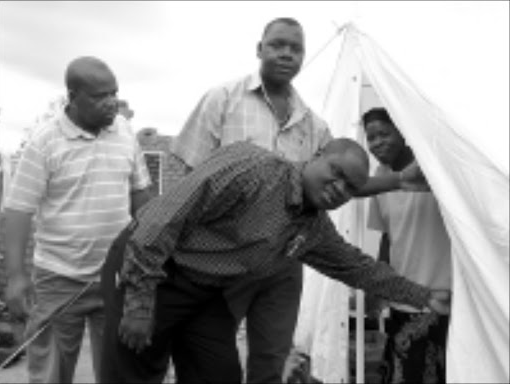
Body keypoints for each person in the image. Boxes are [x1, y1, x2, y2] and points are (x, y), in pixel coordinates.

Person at [100, 139, 451, 384]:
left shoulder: (314, 229)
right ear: (315, 154)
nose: (339, 188)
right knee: (137, 369)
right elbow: (158, 221)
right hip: (151, 266)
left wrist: (423, 296)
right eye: (336, 172)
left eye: (350, 188)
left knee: (217, 375)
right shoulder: (252, 168)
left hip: (207, 291)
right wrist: (140, 303)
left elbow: (358, 268)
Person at [171, 17, 333, 383]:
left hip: (282, 266)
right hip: (220, 259)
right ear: (259, 48)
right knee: (207, 360)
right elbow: (186, 175)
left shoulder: (314, 125)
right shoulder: (223, 100)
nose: (286, 54)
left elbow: (329, 186)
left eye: (296, 48)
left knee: (272, 361)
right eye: (277, 44)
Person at [2, 56, 153, 383]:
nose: (111, 102)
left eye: (114, 92)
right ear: (72, 97)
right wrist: (16, 276)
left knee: (117, 370)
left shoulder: (124, 132)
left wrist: (149, 254)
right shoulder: (45, 141)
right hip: (58, 277)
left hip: (115, 276)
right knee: (51, 373)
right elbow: (18, 210)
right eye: (100, 96)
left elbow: (141, 193)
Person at [361, 107, 452, 383]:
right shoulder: (379, 178)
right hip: (404, 296)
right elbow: (388, 236)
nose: (377, 143)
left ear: (403, 131)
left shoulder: (434, 168)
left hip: (444, 295)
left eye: (384, 133)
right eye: (371, 137)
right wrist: (376, 285)